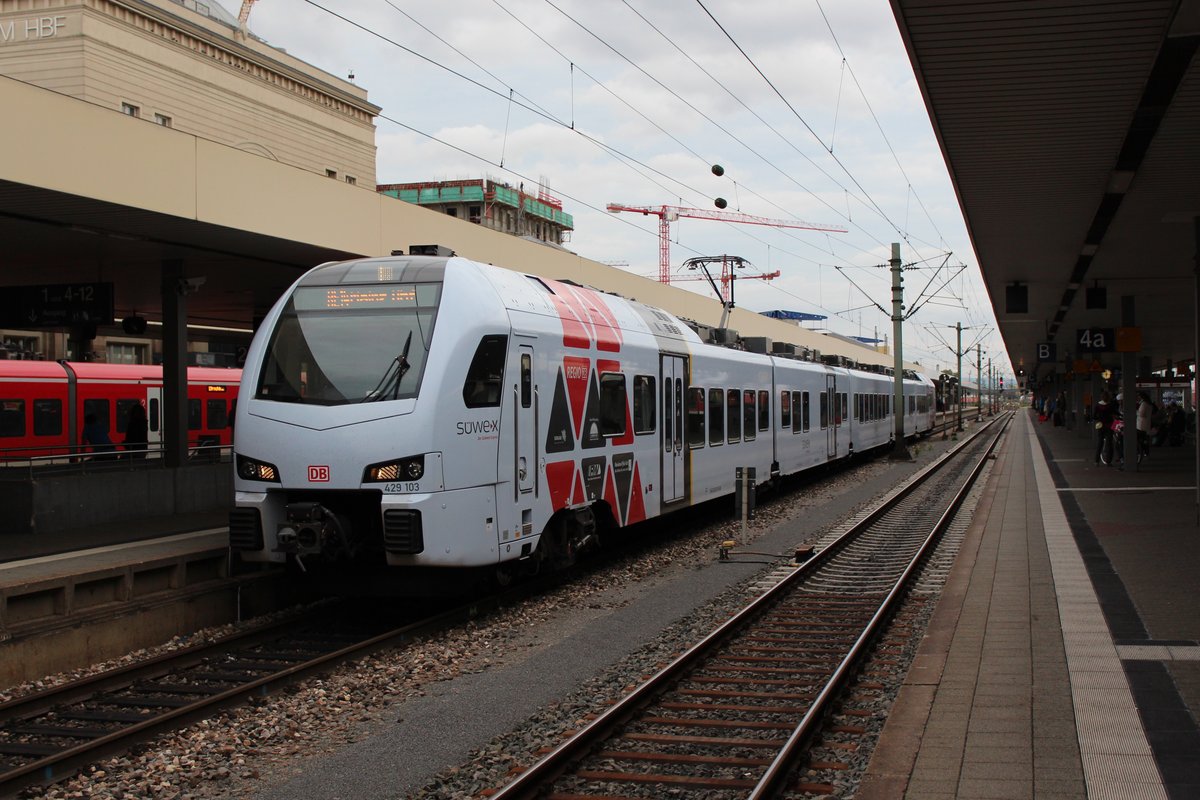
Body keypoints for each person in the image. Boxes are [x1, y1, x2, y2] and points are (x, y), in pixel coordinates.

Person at [1093, 391, 1114, 466]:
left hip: (1100, 425)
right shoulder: (1110, 405)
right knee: (1109, 443)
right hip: (1109, 425)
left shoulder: (1098, 405)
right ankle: (1108, 461)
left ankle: (1096, 461)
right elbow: (1115, 413)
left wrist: (1099, 418)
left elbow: (1094, 416)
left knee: (1100, 442)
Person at [1135, 392, 1153, 460]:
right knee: (1145, 439)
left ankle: (1141, 452)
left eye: (1139, 397)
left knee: (1140, 439)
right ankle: (1146, 452)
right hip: (1147, 423)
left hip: (1141, 424)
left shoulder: (1144, 404)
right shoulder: (1150, 404)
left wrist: (1136, 411)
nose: (1138, 398)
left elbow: (1141, 414)